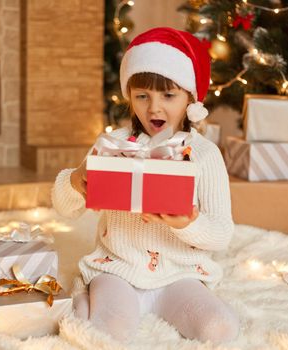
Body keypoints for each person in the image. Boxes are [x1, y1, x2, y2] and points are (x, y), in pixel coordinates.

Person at [52, 27, 239, 345]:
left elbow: (222, 233)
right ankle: (85, 298)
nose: (154, 108)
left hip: (179, 274)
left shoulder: (205, 155)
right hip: (118, 269)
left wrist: (188, 223)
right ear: (129, 96)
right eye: (142, 96)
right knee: (109, 332)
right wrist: (75, 179)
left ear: (190, 98)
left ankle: (89, 301)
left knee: (221, 328)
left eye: (168, 95)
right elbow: (65, 208)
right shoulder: (113, 143)